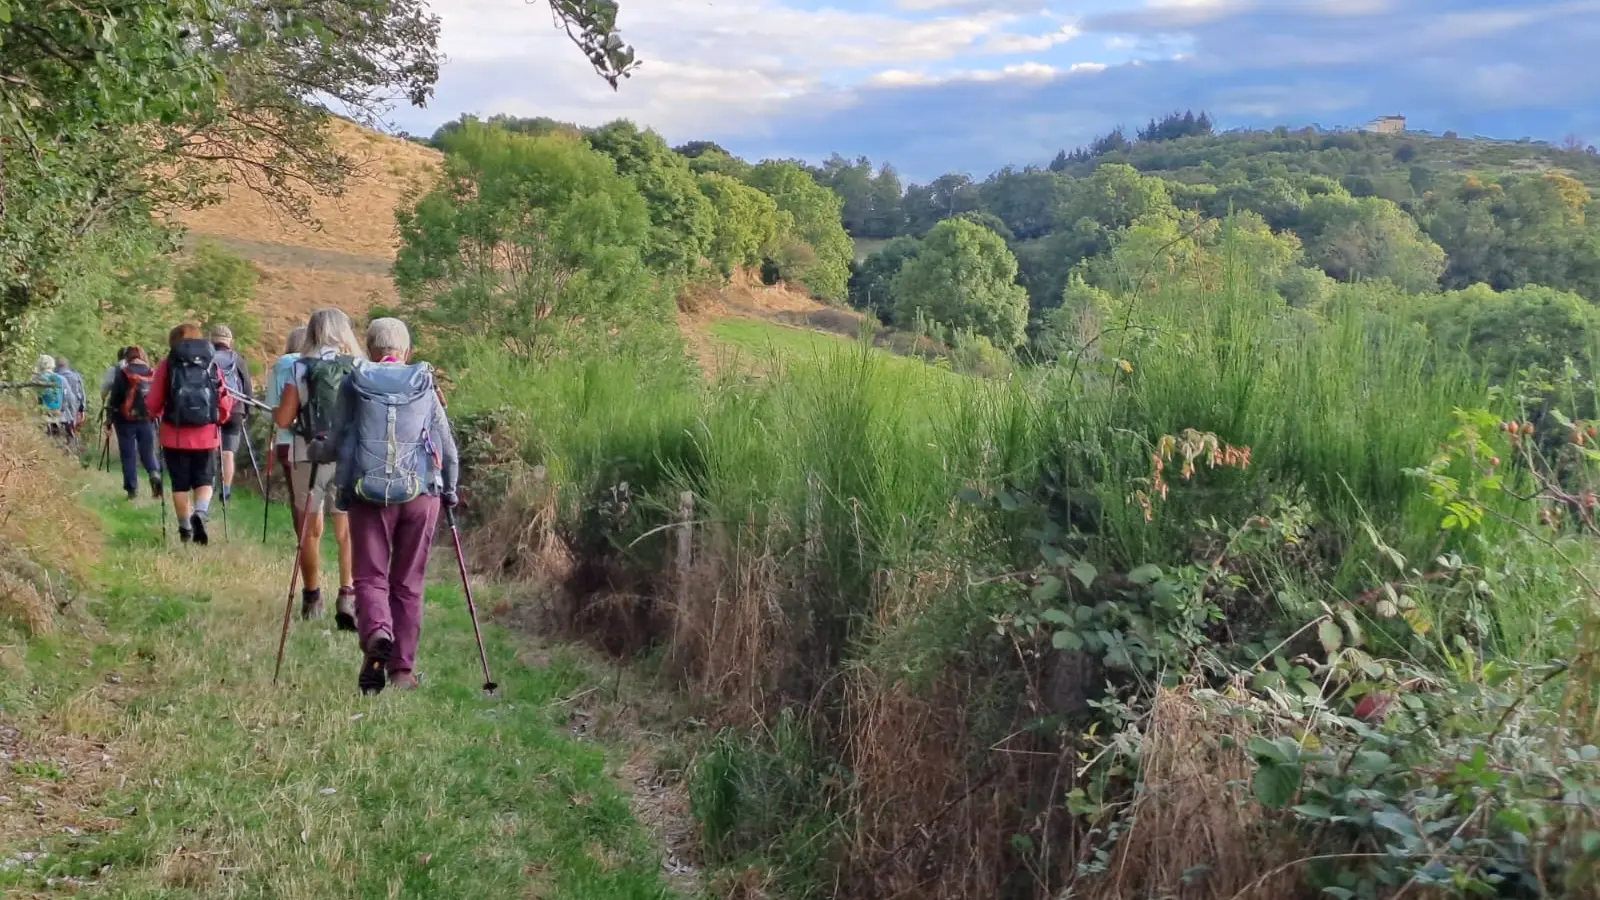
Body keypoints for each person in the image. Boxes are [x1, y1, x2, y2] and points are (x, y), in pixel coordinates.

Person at [333, 317, 458, 693]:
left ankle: (377, 636)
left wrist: (319, 456)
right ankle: (402, 671)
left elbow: (338, 439)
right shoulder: (423, 384)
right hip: (421, 495)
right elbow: (447, 448)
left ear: (369, 349)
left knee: (370, 576)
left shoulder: (355, 381)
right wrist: (450, 491)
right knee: (408, 583)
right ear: (406, 352)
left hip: (367, 494)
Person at [273, 309, 362, 626]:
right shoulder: (359, 367)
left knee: (310, 530)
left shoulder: (299, 366)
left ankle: (313, 599)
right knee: (346, 531)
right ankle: (348, 596)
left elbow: (283, 420)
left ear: (311, 332)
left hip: (307, 454)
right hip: (349, 457)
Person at [147, 323, 234, 545]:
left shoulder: (168, 365)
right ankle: (201, 512)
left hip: (174, 434)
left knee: (180, 484)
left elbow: (154, 400)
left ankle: (185, 528)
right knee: (204, 479)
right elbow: (223, 397)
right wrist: (220, 419)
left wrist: (151, 414)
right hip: (206, 434)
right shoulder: (211, 363)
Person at [105, 346, 163, 501]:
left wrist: (109, 418)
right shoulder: (152, 372)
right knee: (148, 451)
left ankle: (132, 489)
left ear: (127, 357)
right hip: (146, 418)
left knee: (128, 454)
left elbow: (115, 396)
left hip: (124, 419)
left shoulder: (123, 371)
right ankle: (154, 473)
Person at [267, 326, 308, 534]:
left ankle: (303, 543)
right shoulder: (317, 363)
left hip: (287, 441)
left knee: (297, 498)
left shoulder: (282, 365)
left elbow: (271, 407)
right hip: (316, 440)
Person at [210, 325, 254, 506]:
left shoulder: (208, 359)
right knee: (228, 454)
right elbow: (247, 388)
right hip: (235, 410)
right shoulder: (238, 360)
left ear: (212, 340)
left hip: (212, 410)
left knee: (210, 451)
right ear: (229, 341)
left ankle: (208, 488)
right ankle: (226, 493)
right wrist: (246, 411)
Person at [54, 356, 88, 453]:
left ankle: (59, 452)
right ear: (67, 365)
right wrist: (82, 409)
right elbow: (82, 394)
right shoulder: (75, 376)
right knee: (72, 431)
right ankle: (72, 452)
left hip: (58, 409)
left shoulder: (54, 377)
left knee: (57, 432)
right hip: (75, 408)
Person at [32, 355, 69, 440]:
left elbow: (35, 396)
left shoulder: (39, 378)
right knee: (56, 438)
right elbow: (65, 395)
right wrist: (63, 408)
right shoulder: (59, 378)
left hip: (44, 411)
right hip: (58, 411)